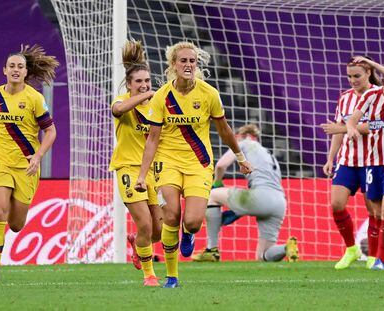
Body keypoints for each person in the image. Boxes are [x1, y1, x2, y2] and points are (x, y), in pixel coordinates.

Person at [134, 41, 252, 288]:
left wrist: (240, 158)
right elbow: (153, 139)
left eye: (192, 61)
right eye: (183, 61)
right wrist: (142, 175)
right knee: (171, 215)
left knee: (193, 222)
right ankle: (172, 276)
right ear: (173, 65)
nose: (188, 65)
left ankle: (188, 233)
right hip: (168, 163)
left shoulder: (209, 94)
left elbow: (225, 130)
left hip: (199, 164)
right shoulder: (162, 96)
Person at [0, 44, 58, 281]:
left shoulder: (35, 98)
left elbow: (51, 132)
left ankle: (2, 249)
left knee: (15, 224)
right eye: (11, 66)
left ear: (26, 72)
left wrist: (38, 156)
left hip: (26, 165)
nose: (15, 70)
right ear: (4, 70)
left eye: (20, 67)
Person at [191, 124, 298, 263]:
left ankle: (211, 250)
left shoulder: (243, 143)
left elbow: (220, 165)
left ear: (240, 136)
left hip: (260, 196)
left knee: (212, 195)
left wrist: (217, 183)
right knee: (263, 256)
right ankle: (286, 248)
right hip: (280, 202)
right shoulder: (267, 152)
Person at [109, 40, 162, 286]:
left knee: (157, 232)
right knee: (145, 223)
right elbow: (118, 110)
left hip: (153, 171)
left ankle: (136, 243)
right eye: (138, 82)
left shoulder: (156, 107)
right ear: (129, 84)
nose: (144, 85)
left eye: (147, 81)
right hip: (128, 170)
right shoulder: (121, 102)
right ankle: (149, 275)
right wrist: (146, 95)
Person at [320, 56, 382, 270]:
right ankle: (351, 249)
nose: (352, 80)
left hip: (372, 161)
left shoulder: (379, 95)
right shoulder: (345, 98)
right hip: (347, 161)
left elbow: (376, 126)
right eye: (349, 76)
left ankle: (374, 255)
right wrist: (331, 158)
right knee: (336, 205)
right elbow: (338, 130)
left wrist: (341, 128)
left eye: (357, 76)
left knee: (373, 211)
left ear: (367, 73)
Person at [347, 56, 384, 270]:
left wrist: (370, 62)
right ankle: (382, 257)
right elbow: (352, 119)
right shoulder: (372, 95)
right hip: (373, 162)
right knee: (375, 212)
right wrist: (351, 129)